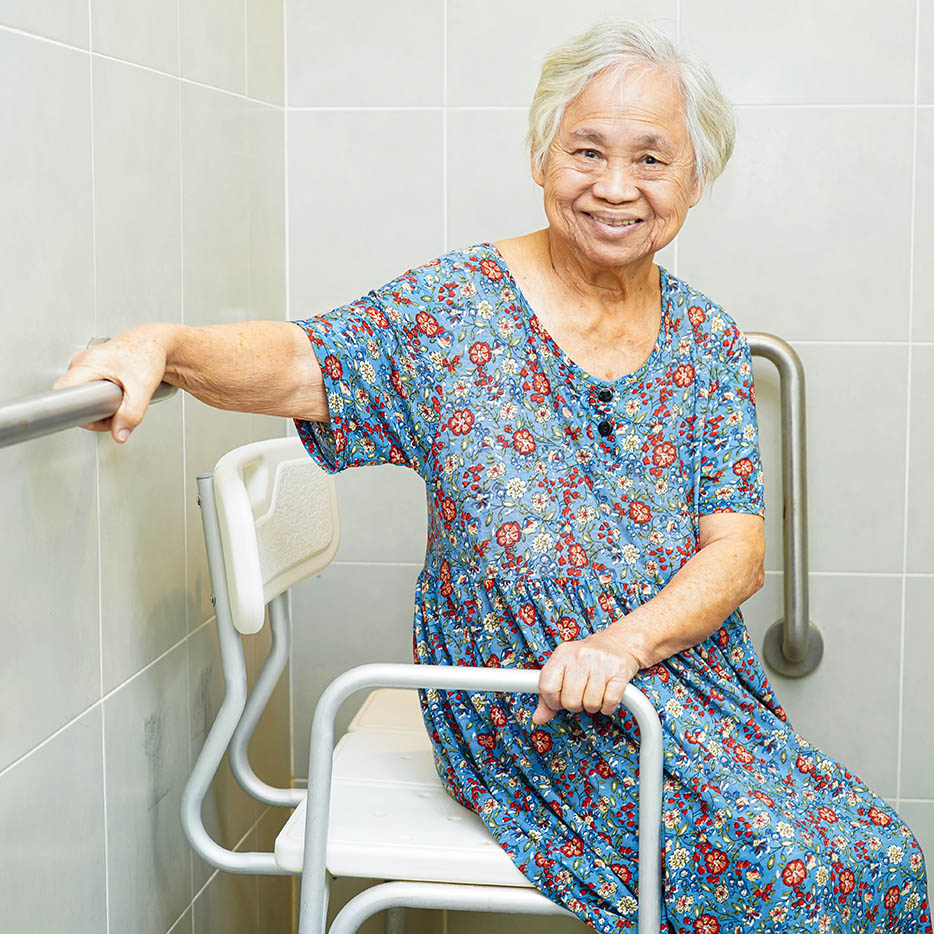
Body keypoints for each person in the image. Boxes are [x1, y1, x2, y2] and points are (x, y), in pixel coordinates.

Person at [55, 19, 929, 934]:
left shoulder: (706, 338)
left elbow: (738, 552)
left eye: (652, 160)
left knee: (878, 858)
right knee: (796, 882)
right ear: (542, 155)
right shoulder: (456, 308)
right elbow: (302, 363)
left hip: (674, 682)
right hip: (530, 707)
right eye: (586, 150)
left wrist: (623, 645)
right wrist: (165, 345)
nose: (616, 187)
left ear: (695, 182)